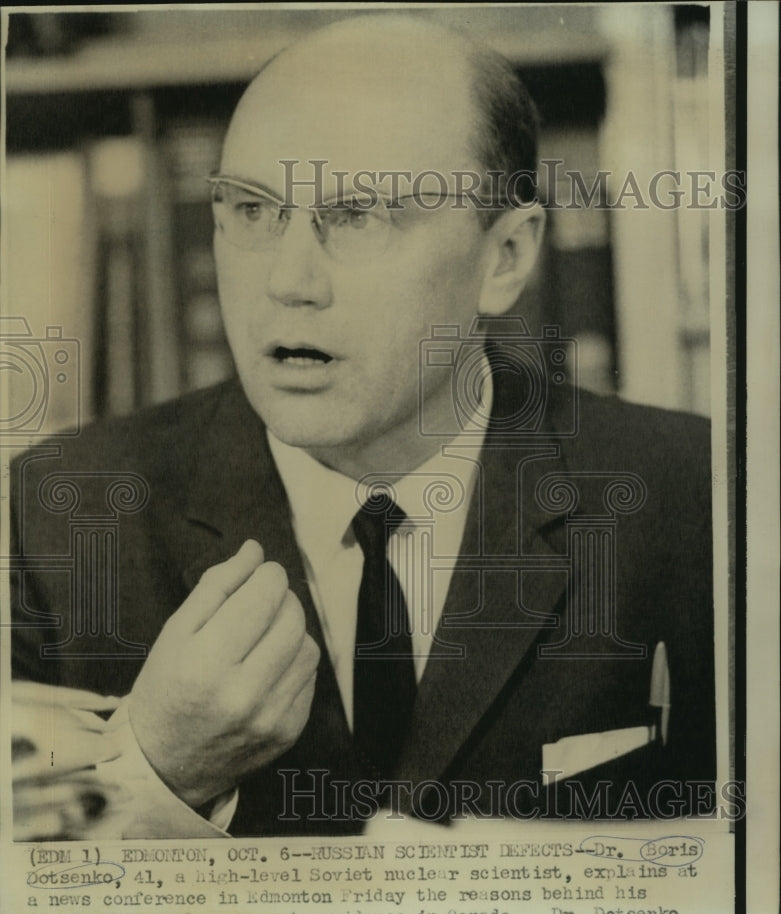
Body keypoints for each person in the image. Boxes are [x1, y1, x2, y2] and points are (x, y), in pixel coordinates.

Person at [10, 13, 715, 838]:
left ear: (507, 259)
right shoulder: (56, 512)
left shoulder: (698, 497)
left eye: (358, 216)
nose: (288, 280)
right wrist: (156, 766)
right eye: (251, 209)